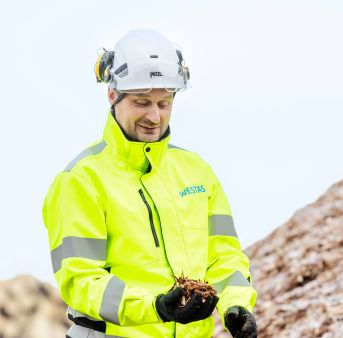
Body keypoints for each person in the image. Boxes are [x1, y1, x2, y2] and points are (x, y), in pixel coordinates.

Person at [43, 29, 258, 338]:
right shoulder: (80, 180)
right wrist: (154, 307)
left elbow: (224, 257)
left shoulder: (197, 172)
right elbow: (81, 280)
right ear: (112, 95)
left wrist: (237, 305)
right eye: (142, 102)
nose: (155, 116)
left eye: (164, 103)